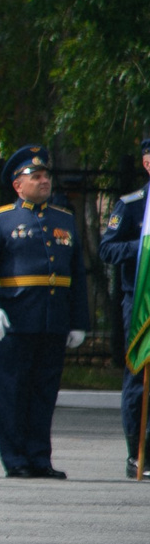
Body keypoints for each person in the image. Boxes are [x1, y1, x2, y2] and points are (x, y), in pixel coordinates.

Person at [0, 146, 89, 479]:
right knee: (13, 390)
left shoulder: (63, 219)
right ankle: (15, 459)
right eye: (35, 176)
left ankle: (40, 457)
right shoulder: (0, 220)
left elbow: (76, 274)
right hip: (16, 319)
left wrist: (78, 320)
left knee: (44, 392)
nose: (43, 181)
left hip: (52, 320)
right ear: (17, 184)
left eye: (46, 176)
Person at [100, 133, 148, 477]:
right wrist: (142, 247)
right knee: (140, 377)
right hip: (142, 304)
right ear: (147, 161)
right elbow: (108, 250)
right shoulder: (132, 204)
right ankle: (139, 454)